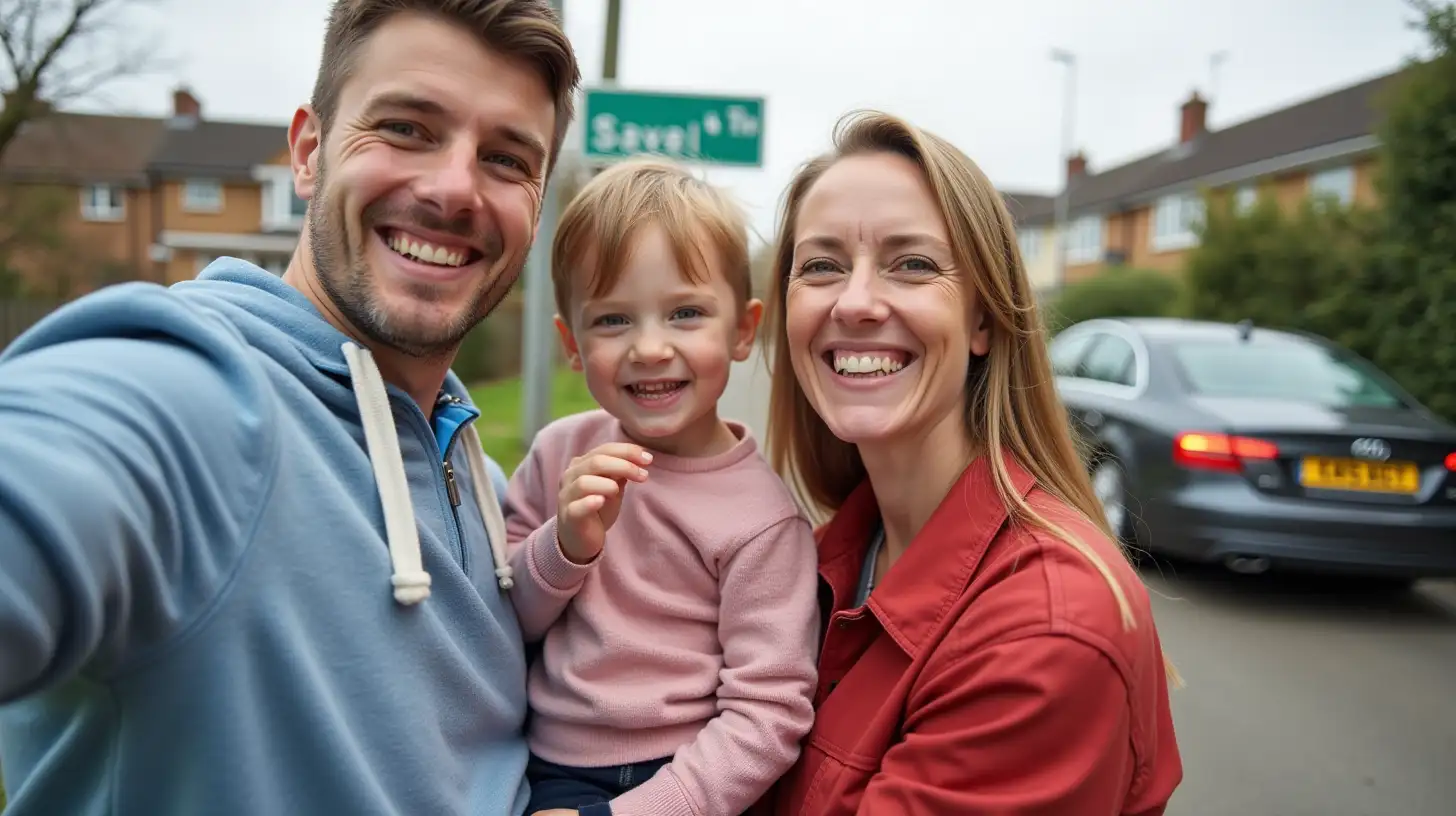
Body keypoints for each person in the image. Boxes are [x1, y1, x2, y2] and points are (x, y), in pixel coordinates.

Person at [0, 2, 579, 814]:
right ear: (308, 153)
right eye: (407, 128)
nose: (455, 188)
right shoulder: (198, 389)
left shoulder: (479, 477)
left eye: (507, 159)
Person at [750, 111, 1184, 815]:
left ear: (983, 320)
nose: (855, 302)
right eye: (822, 265)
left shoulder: (1046, 630)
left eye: (912, 264)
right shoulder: (825, 556)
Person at [501, 158, 819, 816]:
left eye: (684, 314)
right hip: (554, 764)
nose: (649, 348)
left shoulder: (763, 520)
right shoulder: (561, 452)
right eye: (614, 320)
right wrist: (565, 546)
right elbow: (506, 618)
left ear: (741, 330)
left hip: (692, 781)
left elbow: (766, 717)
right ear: (572, 343)